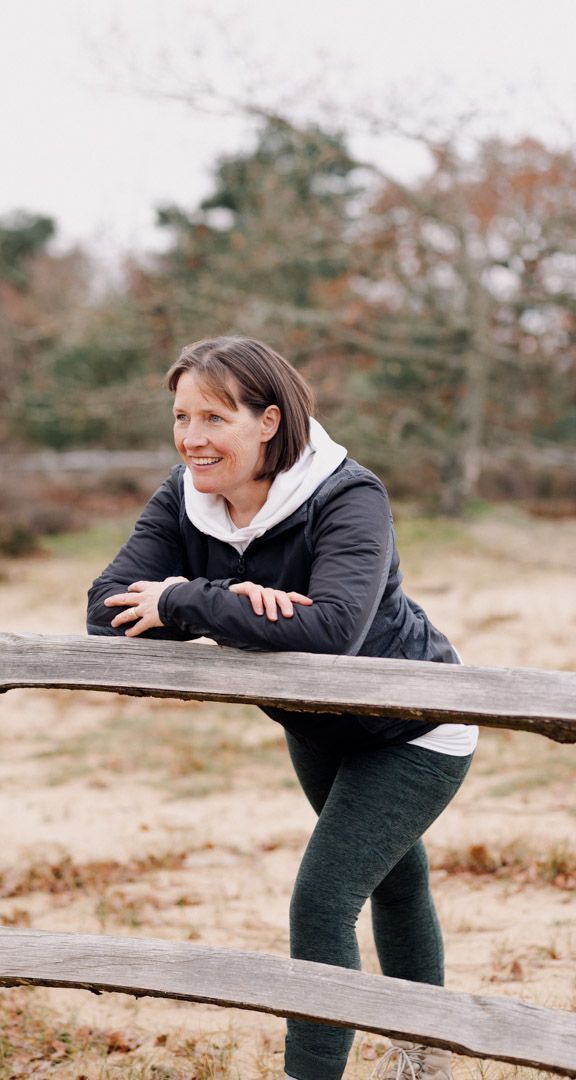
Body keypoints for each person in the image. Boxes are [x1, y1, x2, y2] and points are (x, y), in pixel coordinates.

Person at [86, 336, 477, 1080]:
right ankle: (429, 1057)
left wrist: (186, 600)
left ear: (268, 421)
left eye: (214, 419)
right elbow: (104, 611)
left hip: (417, 725)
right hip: (313, 723)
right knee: (395, 880)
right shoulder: (185, 497)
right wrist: (222, 601)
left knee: (322, 903)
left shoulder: (348, 495)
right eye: (181, 417)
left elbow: (333, 629)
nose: (192, 440)